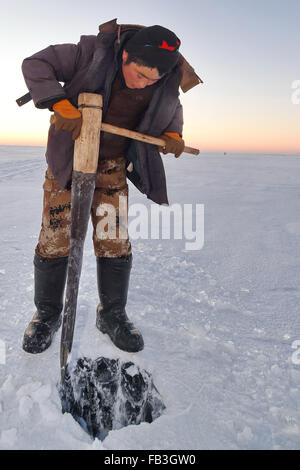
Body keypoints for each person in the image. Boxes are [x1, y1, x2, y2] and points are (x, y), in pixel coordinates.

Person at [19, 18, 200, 355]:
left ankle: (112, 314)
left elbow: (171, 106)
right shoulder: (89, 53)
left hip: (112, 166)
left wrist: (173, 134)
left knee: (113, 239)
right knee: (56, 237)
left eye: (153, 79)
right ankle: (47, 315)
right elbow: (35, 63)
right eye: (140, 74)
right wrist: (58, 102)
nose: (145, 84)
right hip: (69, 163)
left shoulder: (165, 79)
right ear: (125, 56)